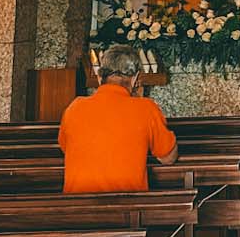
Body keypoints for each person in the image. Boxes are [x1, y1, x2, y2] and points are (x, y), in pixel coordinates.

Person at [58, 44, 178, 193]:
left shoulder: (74, 108)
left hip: (77, 209)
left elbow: (65, 148)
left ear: (100, 76)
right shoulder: (146, 109)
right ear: (134, 79)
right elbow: (168, 158)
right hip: (127, 209)